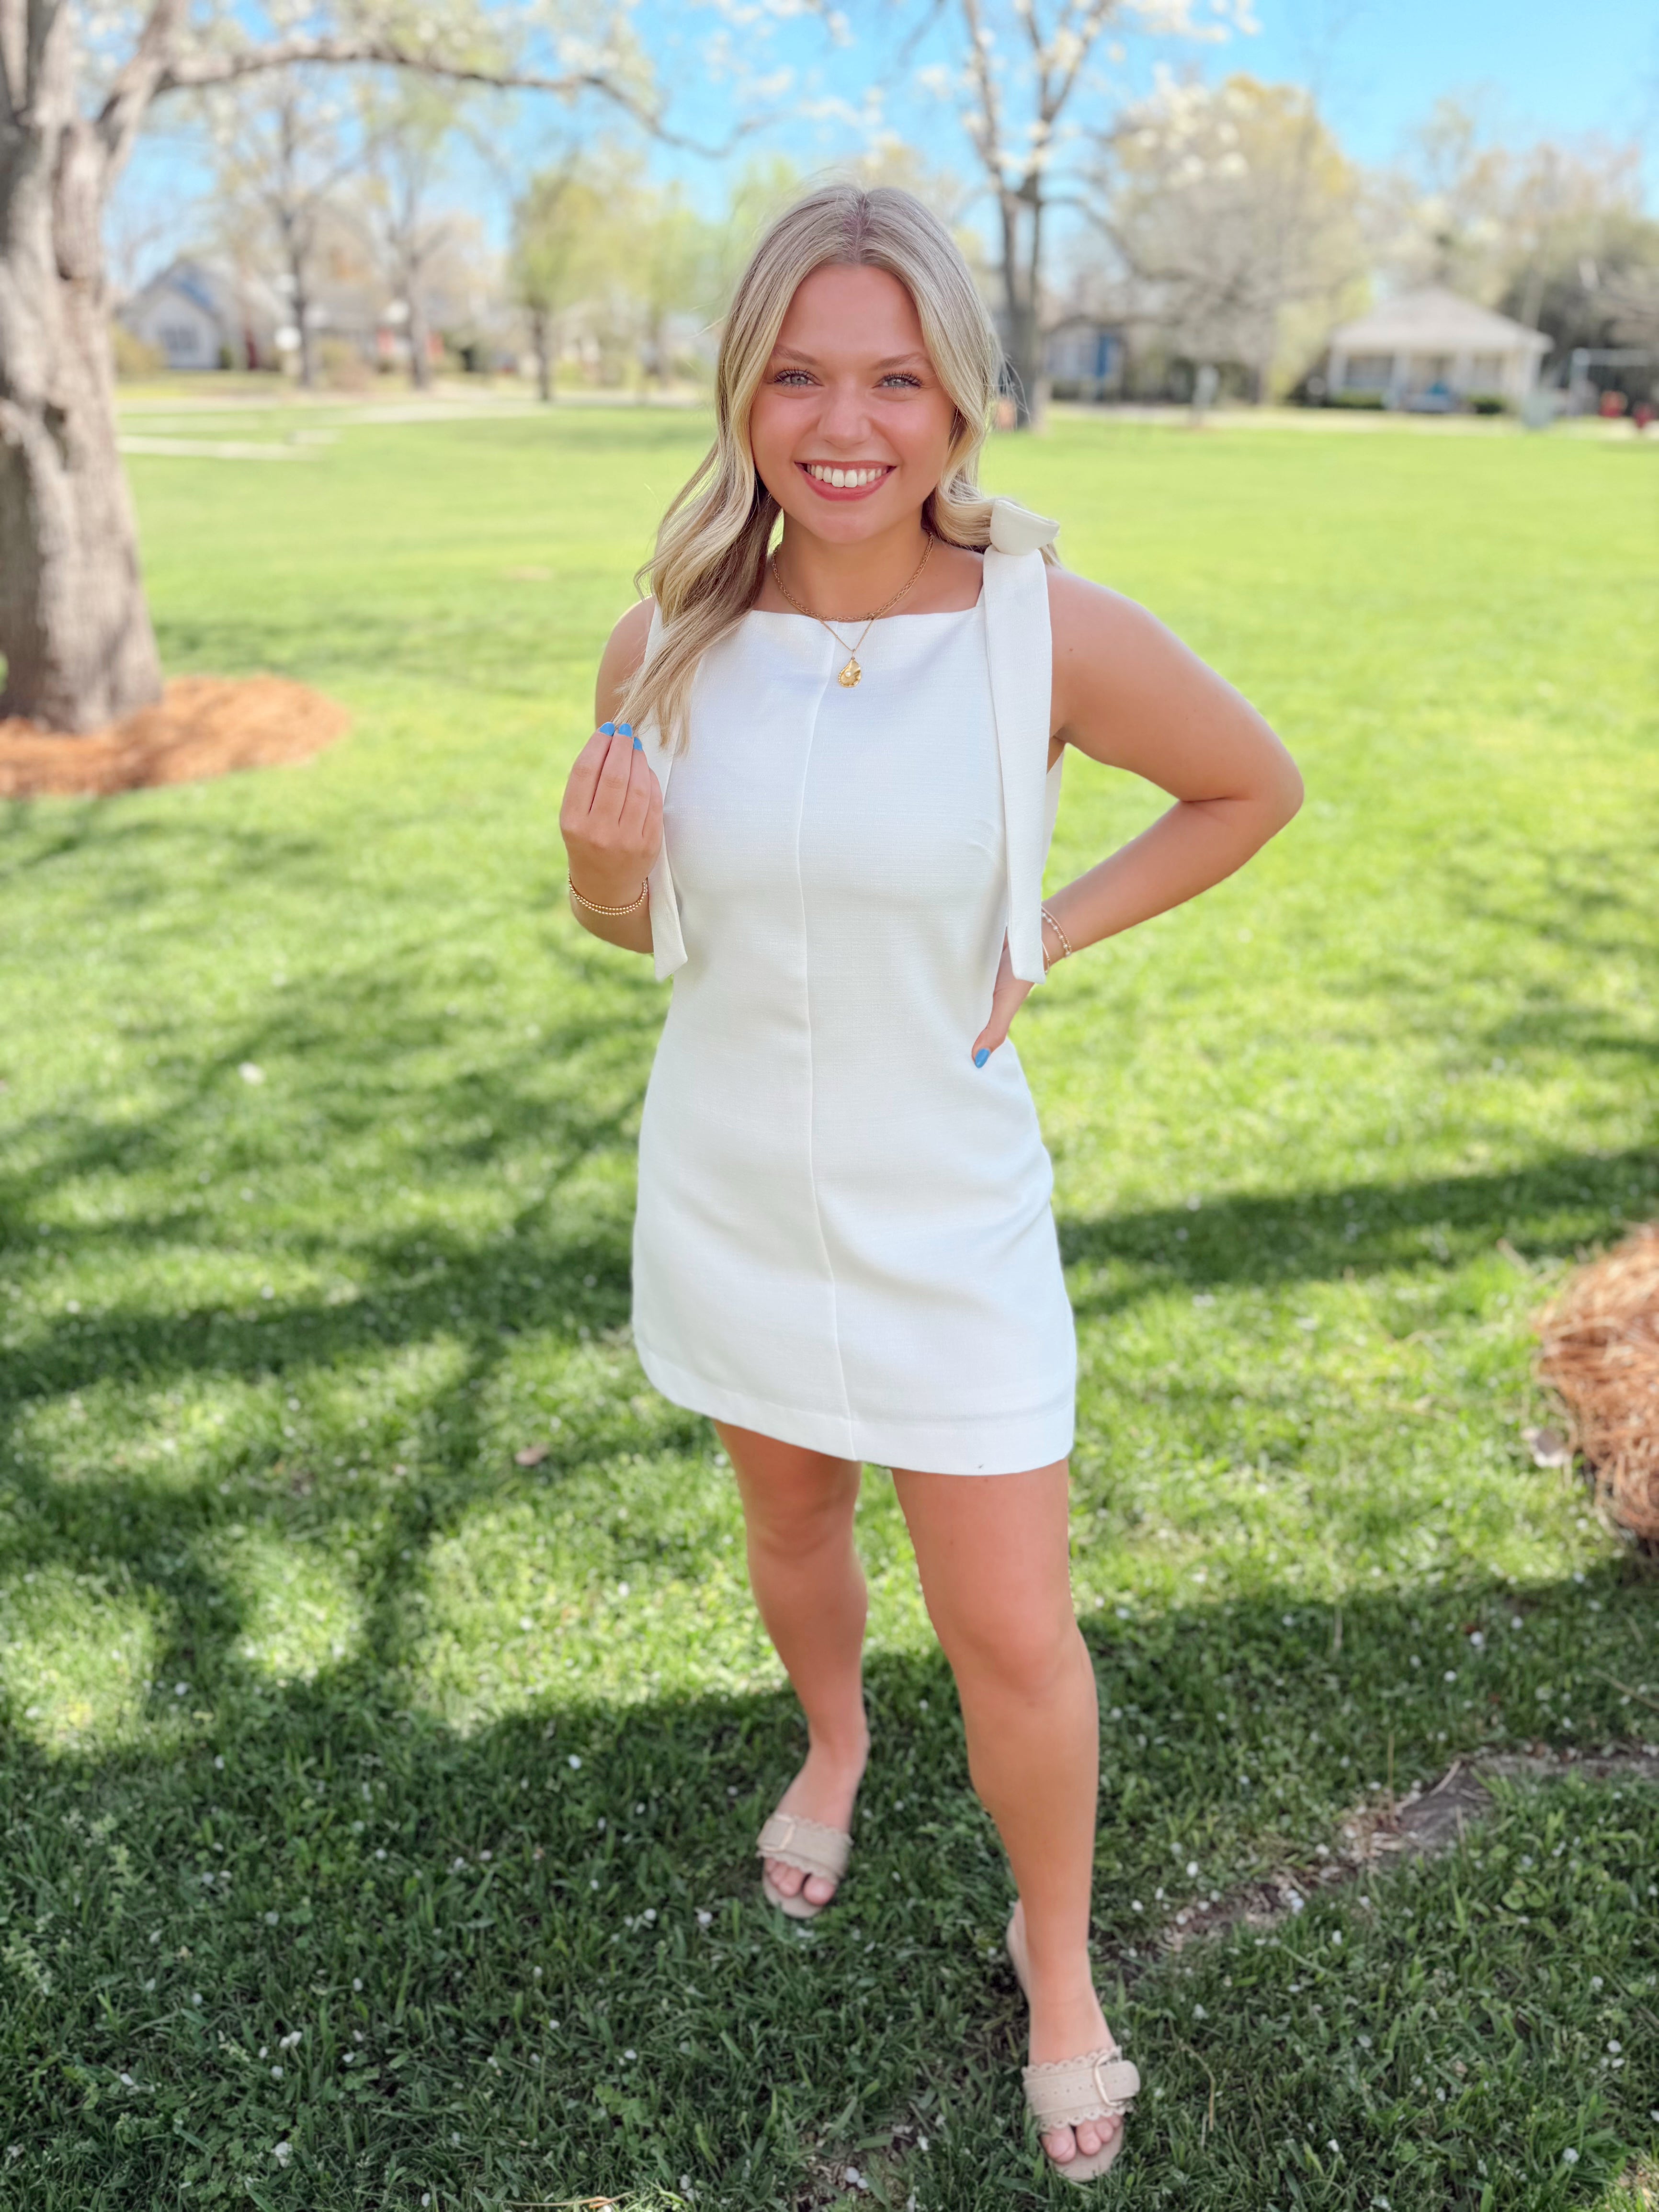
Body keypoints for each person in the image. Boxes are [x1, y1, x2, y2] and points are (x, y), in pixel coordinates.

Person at [559, 183, 1302, 2186]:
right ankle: (831, 1745)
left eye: (894, 375)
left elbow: (1250, 783)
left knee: (1011, 1630)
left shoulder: (1041, 629)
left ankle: (1053, 1962)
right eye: (797, 372)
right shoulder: (668, 634)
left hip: (942, 1212)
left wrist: (1038, 938)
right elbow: (636, 930)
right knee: (791, 1527)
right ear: (741, 391)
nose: (844, 421)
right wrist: (604, 866)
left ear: (961, 399)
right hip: (725, 1184)